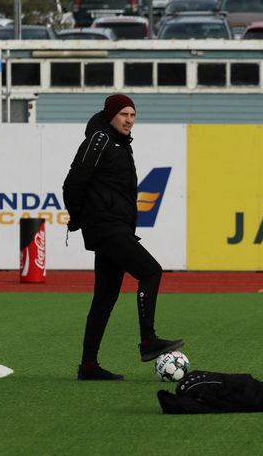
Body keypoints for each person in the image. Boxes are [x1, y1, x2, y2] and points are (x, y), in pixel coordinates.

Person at [63, 94, 184, 381]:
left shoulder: (118, 143)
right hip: (106, 228)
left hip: (115, 227)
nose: (129, 120)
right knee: (150, 271)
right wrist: (80, 220)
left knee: (105, 297)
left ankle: (88, 366)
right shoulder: (100, 140)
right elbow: (73, 182)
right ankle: (148, 341)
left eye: (133, 115)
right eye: (123, 115)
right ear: (110, 116)